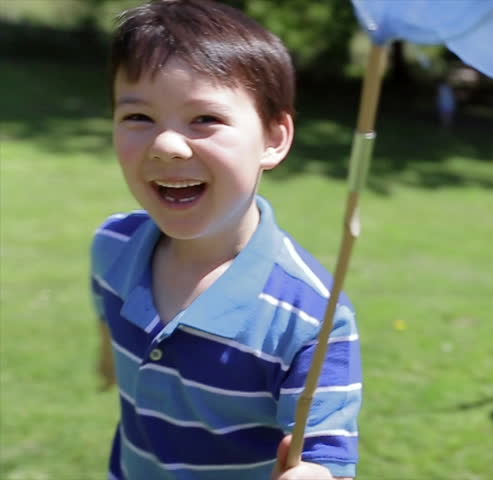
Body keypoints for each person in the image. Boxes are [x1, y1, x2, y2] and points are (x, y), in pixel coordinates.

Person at [90, 1, 361, 478]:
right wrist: (107, 355)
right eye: (137, 117)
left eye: (204, 119)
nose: (167, 145)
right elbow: (108, 324)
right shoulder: (113, 244)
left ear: (274, 139)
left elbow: (326, 456)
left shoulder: (312, 316)